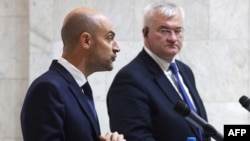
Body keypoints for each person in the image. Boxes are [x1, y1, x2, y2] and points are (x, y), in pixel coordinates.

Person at [107, 1, 210, 141]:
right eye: (164, 30)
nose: (173, 38)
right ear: (145, 33)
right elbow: (136, 138)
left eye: (178, 31)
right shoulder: (129, 80)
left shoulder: (185, 71)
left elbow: (199, 129)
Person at [21, 7, 126, 141]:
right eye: (109, 38)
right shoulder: (48, 89)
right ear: (86, 41)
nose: (117, 47)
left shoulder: (79, 87)